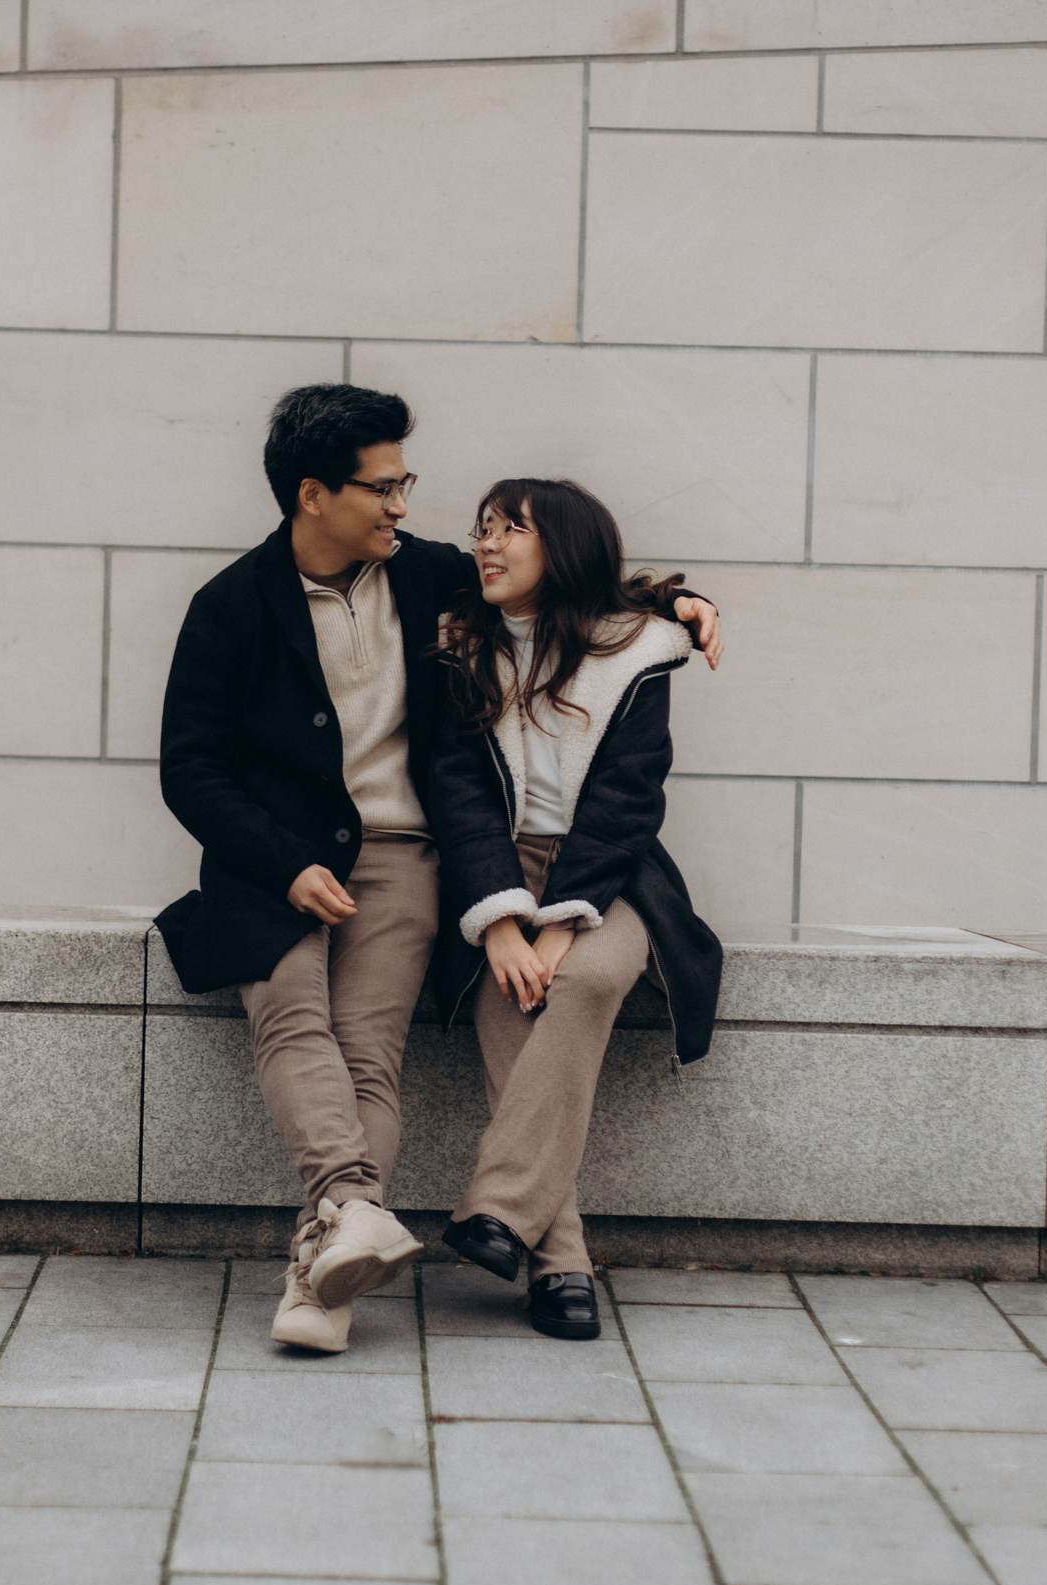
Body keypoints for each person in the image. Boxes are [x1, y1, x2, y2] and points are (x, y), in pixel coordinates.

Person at [156, 387, 721, 1354]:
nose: (401, 506)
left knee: (370, 1050)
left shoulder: (429, 581)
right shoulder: (231, 606)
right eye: (383, 488)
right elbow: (190, 769)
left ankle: (322, 1284)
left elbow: (569, 585)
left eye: (403, 483)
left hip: (409, 858)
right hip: (275, 865)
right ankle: (346, 1218)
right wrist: (284, 862)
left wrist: (678, 601)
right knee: (291, 1011)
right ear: (312, 494)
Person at [425, 478, 725, 1340]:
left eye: (509, 530)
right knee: (505, 999)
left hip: (612, 870)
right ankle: (560, 1264)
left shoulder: (637, 651)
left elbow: (628, 803)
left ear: (563, 546)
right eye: (481, 529)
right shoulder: (458, 645)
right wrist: (504, 921)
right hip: (498, 865)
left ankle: (498, 1208)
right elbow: (459, 797)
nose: (486, 544)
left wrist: (561, 921)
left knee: (587, 978)